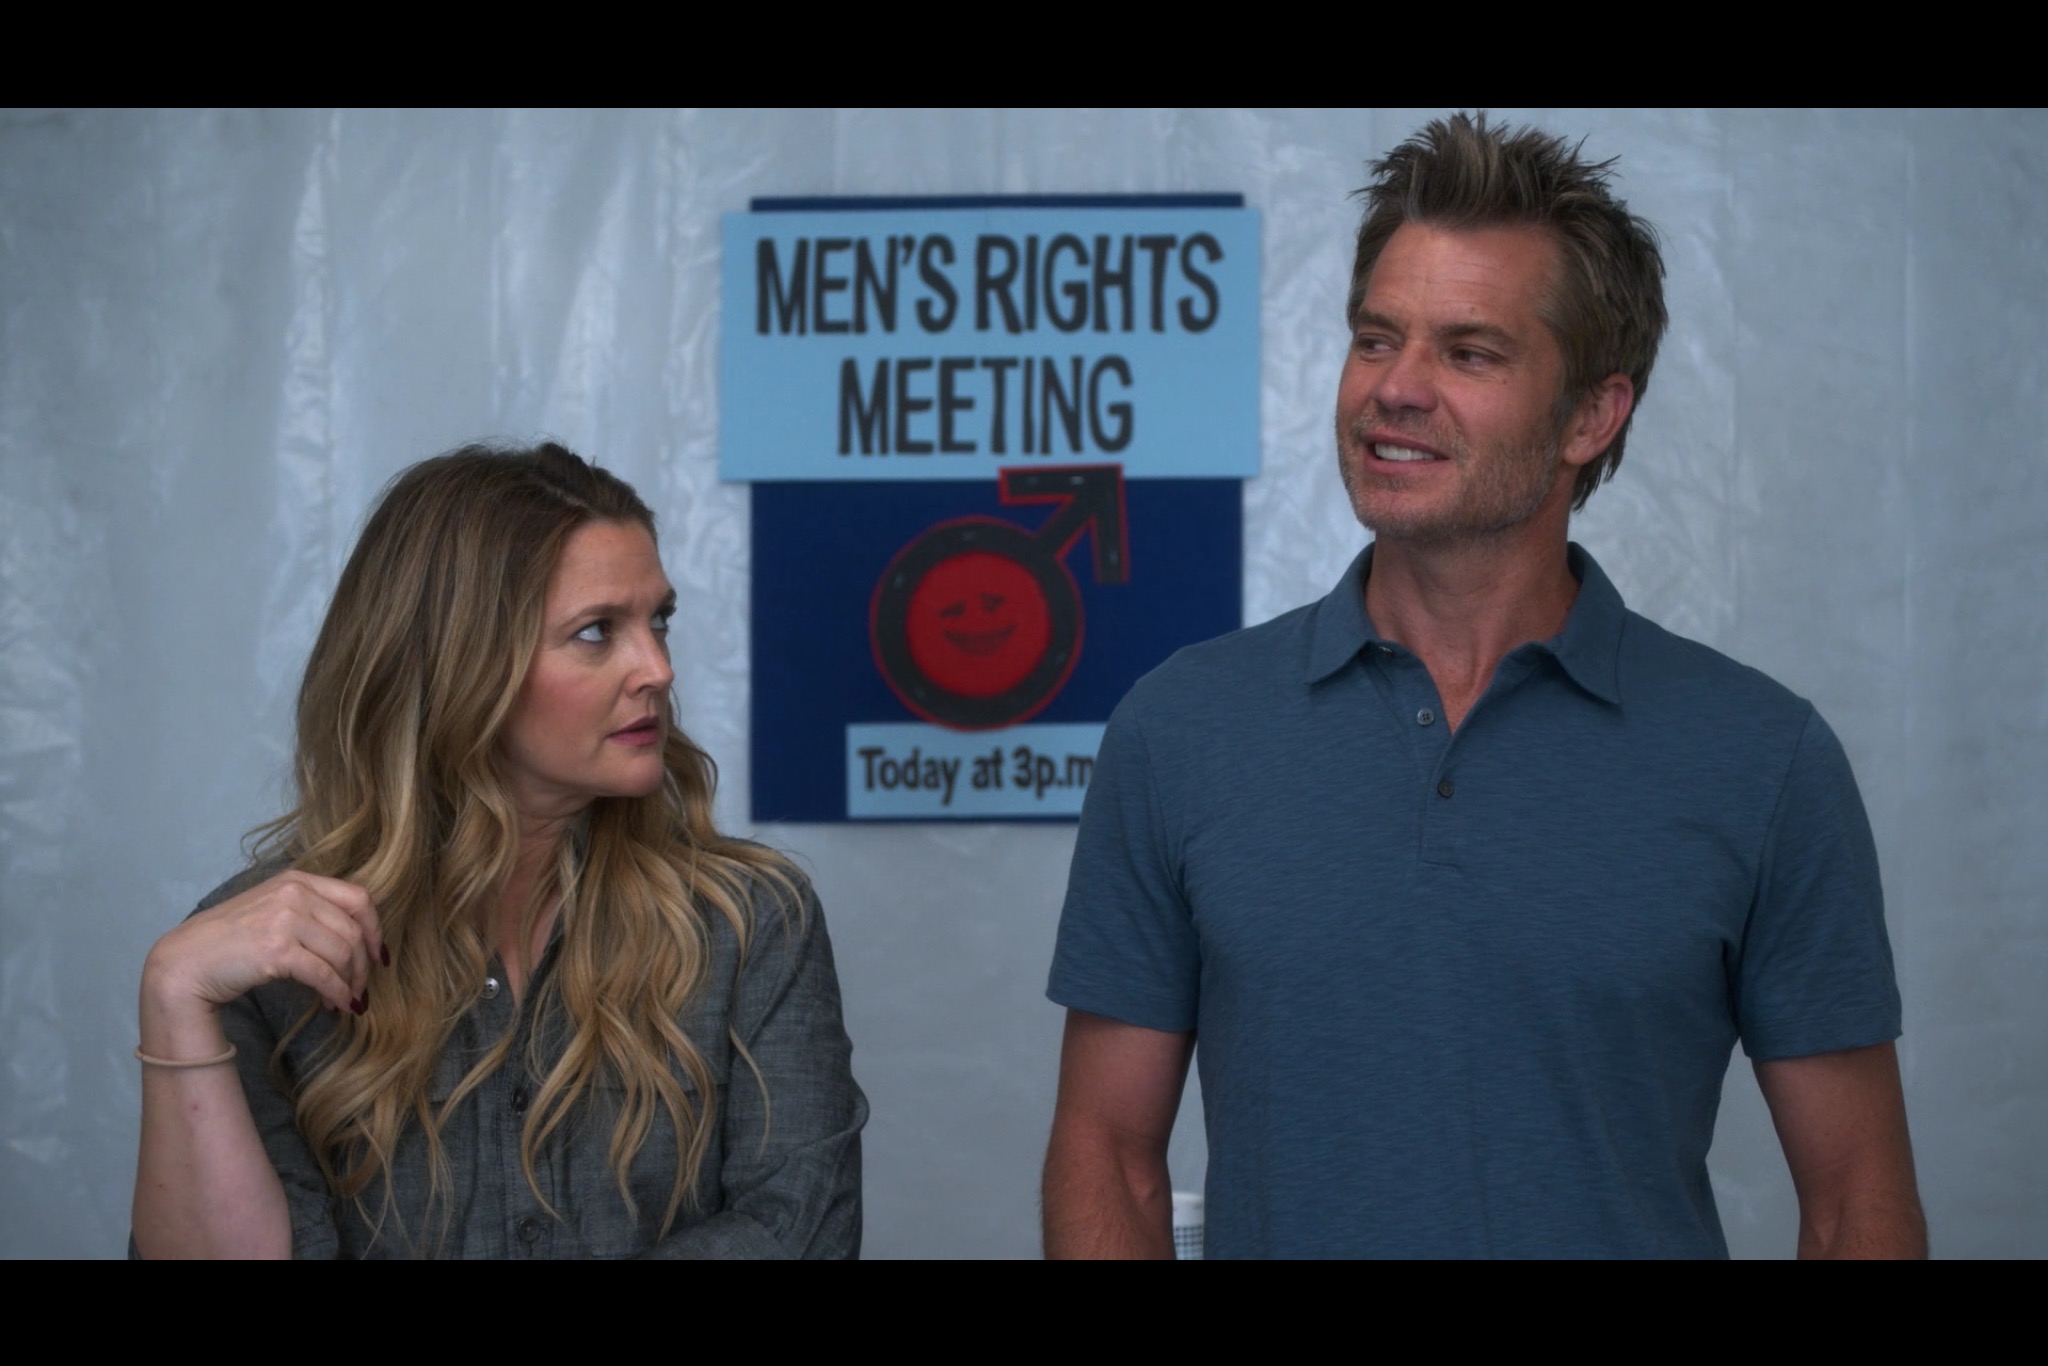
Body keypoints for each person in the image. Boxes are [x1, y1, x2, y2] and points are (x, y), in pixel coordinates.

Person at [1042, 114, 1925, 1258]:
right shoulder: (1179, 729)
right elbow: (1107, 1156)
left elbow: (1856, 1203)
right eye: (1375, 339)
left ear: (1591, 414)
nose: (1394, 389)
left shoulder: (1760, 758)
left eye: (1467, 353)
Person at [134, 442, 865, 1258]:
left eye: (658, 620)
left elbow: (800, 1234)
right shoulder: (267, 955)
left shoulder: (749, 922)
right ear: (458, 664)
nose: (657, 669)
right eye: (597, 631)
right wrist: (173, 996)